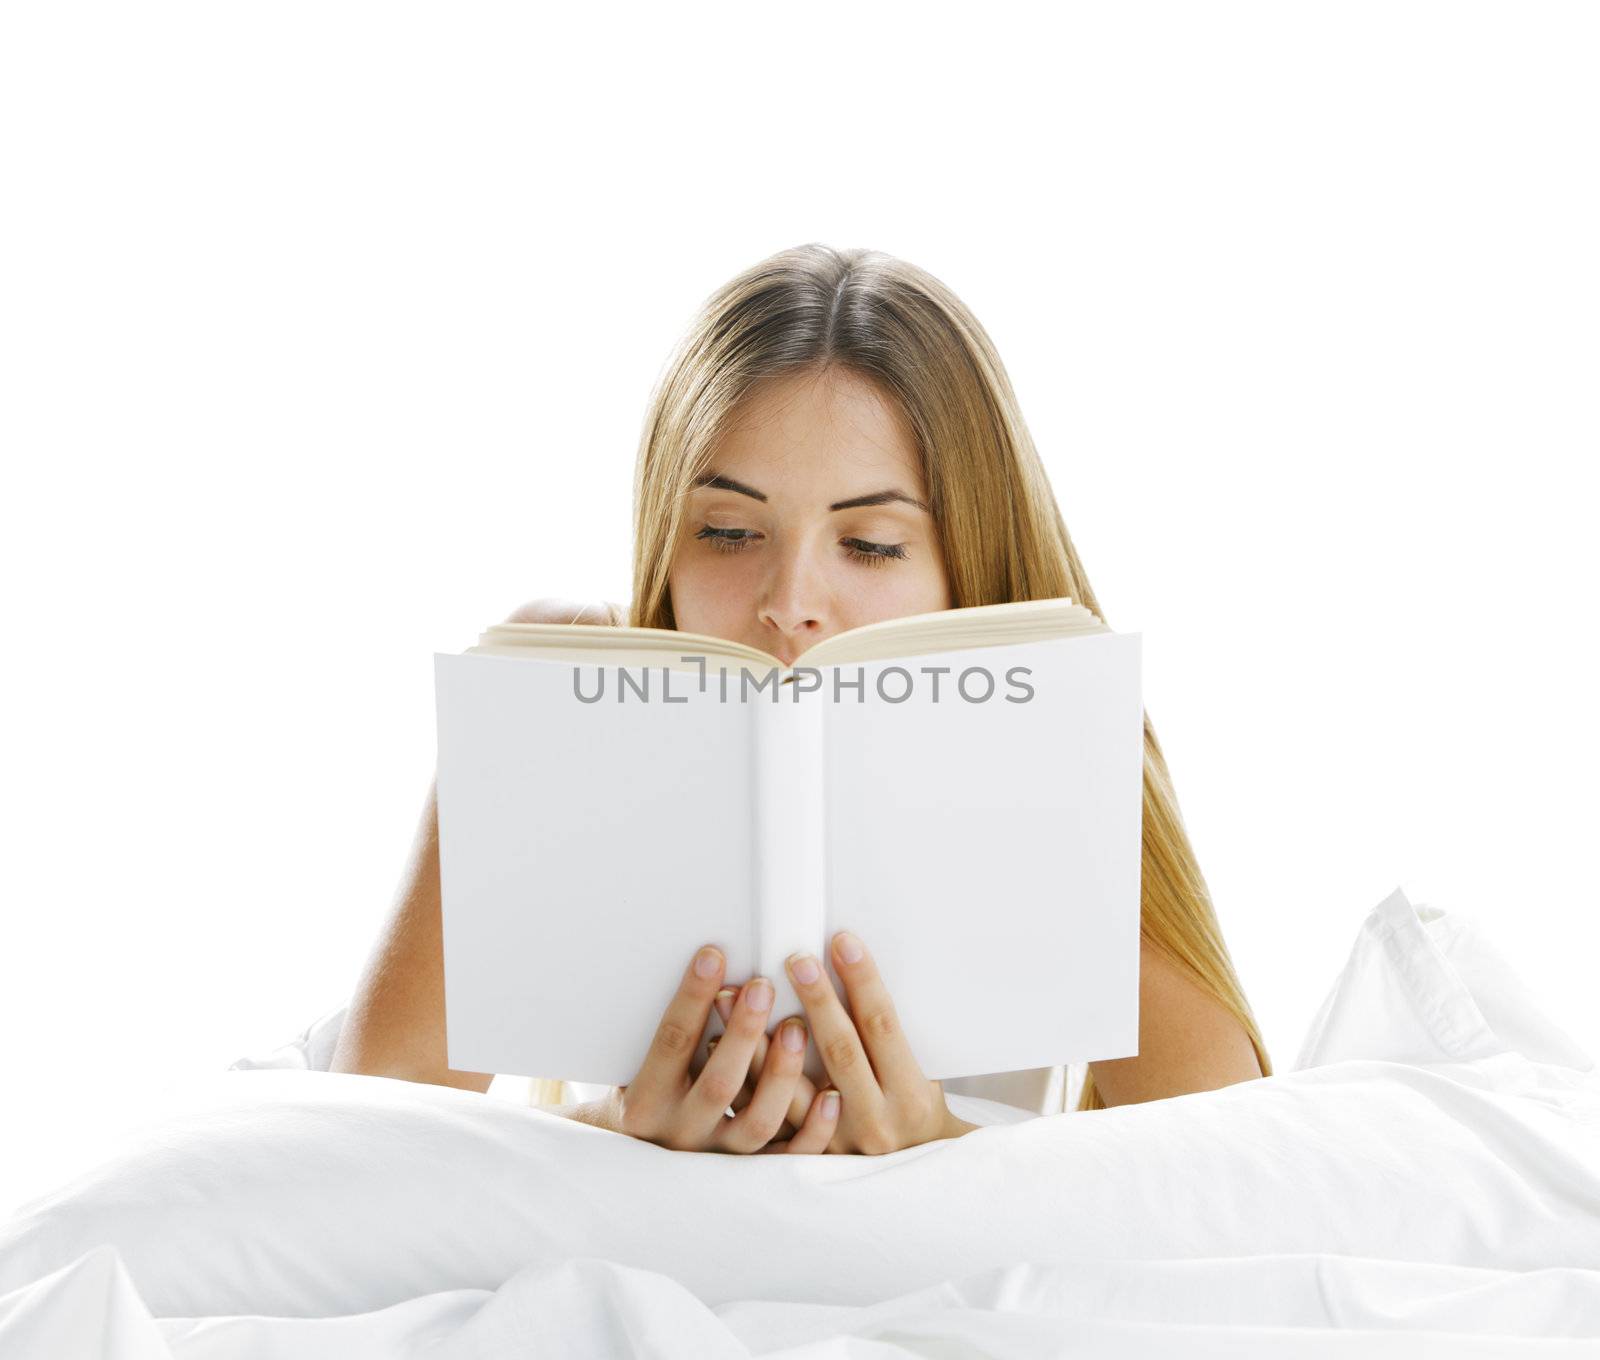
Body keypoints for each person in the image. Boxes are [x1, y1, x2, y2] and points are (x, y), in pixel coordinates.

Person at [330, 243, 1271, 1154]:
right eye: (732, 532)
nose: (789, 606)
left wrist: (944, 1148)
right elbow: (362, 1124)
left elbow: (1226, 1152)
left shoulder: (1059, 718)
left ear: (968, 563)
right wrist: (611, 1138)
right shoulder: (555, 683)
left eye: (869, 545)